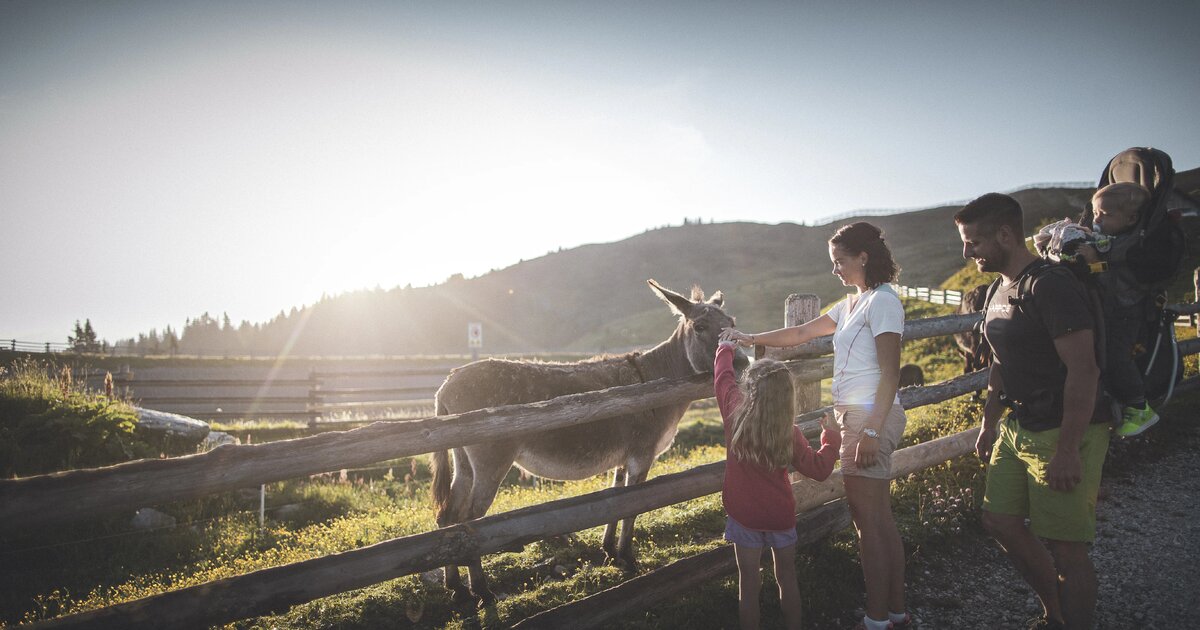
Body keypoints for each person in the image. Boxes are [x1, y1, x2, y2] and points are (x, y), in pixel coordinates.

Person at [721, 221, 910, 630]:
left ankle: (878, 618)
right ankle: (895, 610)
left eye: (840, 261)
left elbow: (891, 372)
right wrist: (750, 337)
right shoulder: (851, 304)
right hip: (859, 415)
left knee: (868, 521)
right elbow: (804, 331)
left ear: (863, 257)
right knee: (879, 517)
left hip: (869, 417)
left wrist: (873, 430)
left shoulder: (882, 303)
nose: (835, 270)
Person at [955, 193, 1111, 630]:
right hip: (1017, 425)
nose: (968, 253)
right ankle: (1055, 613)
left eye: (973, 242)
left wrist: (1067, 450)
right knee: (1000, 521)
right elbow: (1001, 360)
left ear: (1005, 234)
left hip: (1063, 429)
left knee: (1067, 548)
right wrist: (988, 422)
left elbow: (1084, 369)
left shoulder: (1050, 285)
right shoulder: (997, 289)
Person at [713, 339, 841, 630]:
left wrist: (725, 347)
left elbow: (722, 378)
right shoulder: (789, 432)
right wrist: (831, 439)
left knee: (748, 585)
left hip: (744, 515)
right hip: (780, 516)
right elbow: (819, 470)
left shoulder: (735, 413)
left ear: (750, 390)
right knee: (786, 577)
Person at [1075, 182, 1160, 436]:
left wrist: (1093, 262)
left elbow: (1112, 282)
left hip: (1125, 312)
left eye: (1106, 215)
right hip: (1112, 311)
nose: (1098, 220)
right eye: (1096, 213)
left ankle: (1139, 406)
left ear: (1131, 218)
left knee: (1115, 356)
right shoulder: (1113, 240)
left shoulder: (1127, 248)